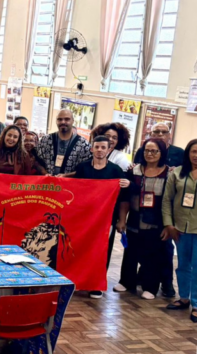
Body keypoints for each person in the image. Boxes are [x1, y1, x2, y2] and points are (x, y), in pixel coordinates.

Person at [74, 136, 129, 299]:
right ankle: (80, 280)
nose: (99, 150)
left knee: (102, 250)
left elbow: (123, 199)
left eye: (103, 147)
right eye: (96, 147)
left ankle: (96, 285)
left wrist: (121, 220)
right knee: (81, 248)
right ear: (91, 149)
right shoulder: (82, 168)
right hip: (84, 218)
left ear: (108, 149)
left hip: (107, 219)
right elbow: (75, 191)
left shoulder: (115, 171)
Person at [117, 138, 170, 301]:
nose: (150, 154)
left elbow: (170, 201)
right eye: (147, 150)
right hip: (134, 217)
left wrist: (168, 225)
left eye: (154, 151)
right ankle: (126, 282)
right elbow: (124, 198)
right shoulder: (134, 171)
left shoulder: (169, 173)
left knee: (152, 255)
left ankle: (150, 287)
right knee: (130, 251)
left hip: (156, 221)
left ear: (161, 153)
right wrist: (122, 220)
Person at [163, 139, 197, 320]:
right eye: (193, 151)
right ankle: (184, 298)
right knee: (183, 265)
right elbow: (167, 200)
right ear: (188, 153)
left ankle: (196, 303)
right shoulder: (177, 173)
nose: (196, 156)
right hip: (180, 228)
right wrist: (169, 224)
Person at [36, 109, 92, 176]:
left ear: (72, 121)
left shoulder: (83, 144)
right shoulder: (45, 140)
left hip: (71, 184)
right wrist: (45, 173)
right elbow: (36, 162)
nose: (63, 122)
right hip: (48, 184)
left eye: (67, 119)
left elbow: (86, 168)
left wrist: (67, 176)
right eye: (60, 119)